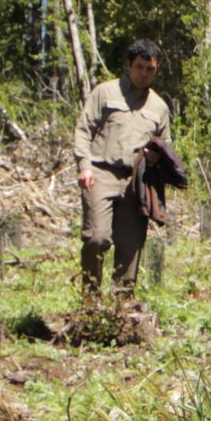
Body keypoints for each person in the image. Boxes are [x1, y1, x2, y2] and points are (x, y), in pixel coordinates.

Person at [74, 38, 173, 295]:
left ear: (157, 69)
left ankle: (122, 307)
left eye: (150, 69)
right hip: (100, 172)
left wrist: (157, 158)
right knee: (97, 237)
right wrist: (84, 166)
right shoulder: (105, 93)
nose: (144, 74)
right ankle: (91, 300)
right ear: (129, 65)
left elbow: (166, 146)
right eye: (139, 67)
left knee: (130, 245)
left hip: (136, 180)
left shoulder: (159, 107)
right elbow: (84, 130)